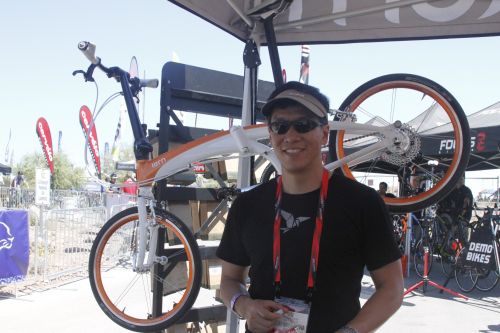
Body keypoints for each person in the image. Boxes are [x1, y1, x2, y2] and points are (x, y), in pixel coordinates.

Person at [217, 81, 403, 333]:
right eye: (280, 126)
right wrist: (245, 306)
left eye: (303, 125)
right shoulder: (247, 205)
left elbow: (391, 288)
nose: (290, 136)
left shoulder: (363, 202)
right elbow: (229, 280)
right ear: (270, 134)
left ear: (324, 133)